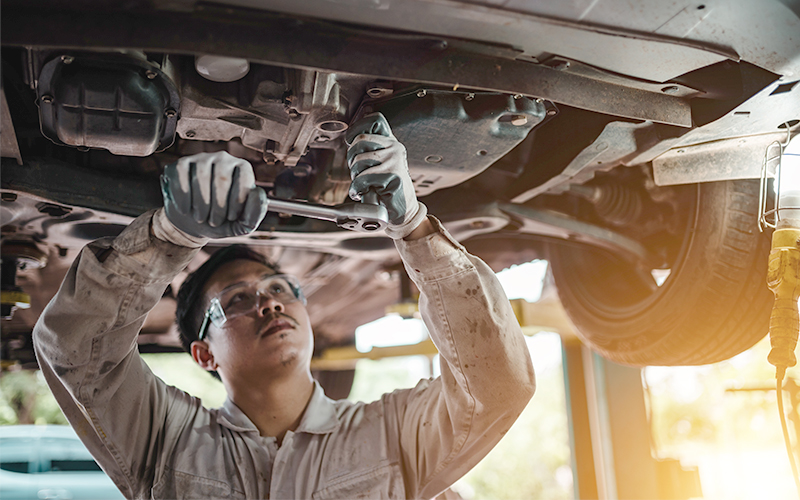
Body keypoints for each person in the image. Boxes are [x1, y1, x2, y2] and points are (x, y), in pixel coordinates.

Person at [33, 114, 536, 499]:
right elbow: (76, 352)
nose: (268, 304)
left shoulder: (395, 434)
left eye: (279, 289)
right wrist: (170, 235)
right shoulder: (166, 440)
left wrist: (415, 228)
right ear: (204, 355)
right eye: (237, 300)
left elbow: (497, 385)